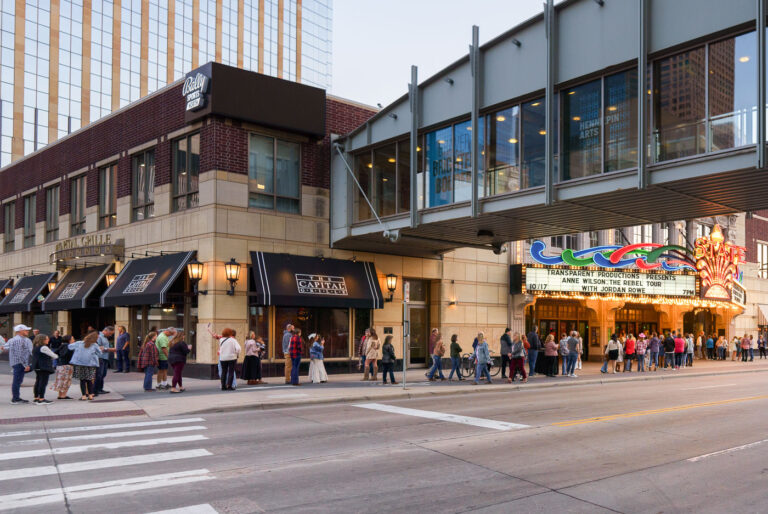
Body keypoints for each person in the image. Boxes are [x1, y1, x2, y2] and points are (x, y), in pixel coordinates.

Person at [2, 324, 33, 404]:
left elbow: (5, 347)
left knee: (17, 380)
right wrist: (25, 365)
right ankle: (15, 398)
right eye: (26, 330)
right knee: (17, 381)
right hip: (19, 363)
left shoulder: (13, 340)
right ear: (20, 331)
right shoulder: (20, 340)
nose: (27, 331)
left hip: (16, 363)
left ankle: (16, 398)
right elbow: (19, 354)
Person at [69, 332, 102, 401]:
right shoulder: (95, 345)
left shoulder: (79, 343)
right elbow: (100, 353)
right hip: (90, 365)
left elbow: (70, 347)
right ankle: (90, 395)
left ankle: (83, 396)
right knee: (89, 380)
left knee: (82, 380)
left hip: (80, 364)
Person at [31, 333, 56, 404]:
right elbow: (54, 355)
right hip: (44, 367)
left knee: (38, 381)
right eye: (47, 339)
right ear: (43, 340)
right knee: (43, 383)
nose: (48, 340)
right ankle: (41, 399)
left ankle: (36, 397)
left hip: (37, 366)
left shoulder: (35, 347)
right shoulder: (44, 347)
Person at [51, 334, 75, 400]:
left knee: (61, 380)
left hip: (60, 365)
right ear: (69, 340)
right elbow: (64, 354)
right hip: (67, 365)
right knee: (66, 381)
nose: (74, 340)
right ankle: (63, 395)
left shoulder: (62, 345)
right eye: (72, 339)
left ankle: (60, 395)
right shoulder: (69, 346)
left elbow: (56, 352)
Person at [93, 326, 115, 396]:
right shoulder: (99, 337)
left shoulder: (105, 338)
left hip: (105, 358)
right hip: (100, 358)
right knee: (99, 374)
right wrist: (109, 349)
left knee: (103, 374)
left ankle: (100, 389)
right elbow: (97, 347)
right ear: (106, 331)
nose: (110, 335)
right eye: (110, 333)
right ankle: (96, 390)